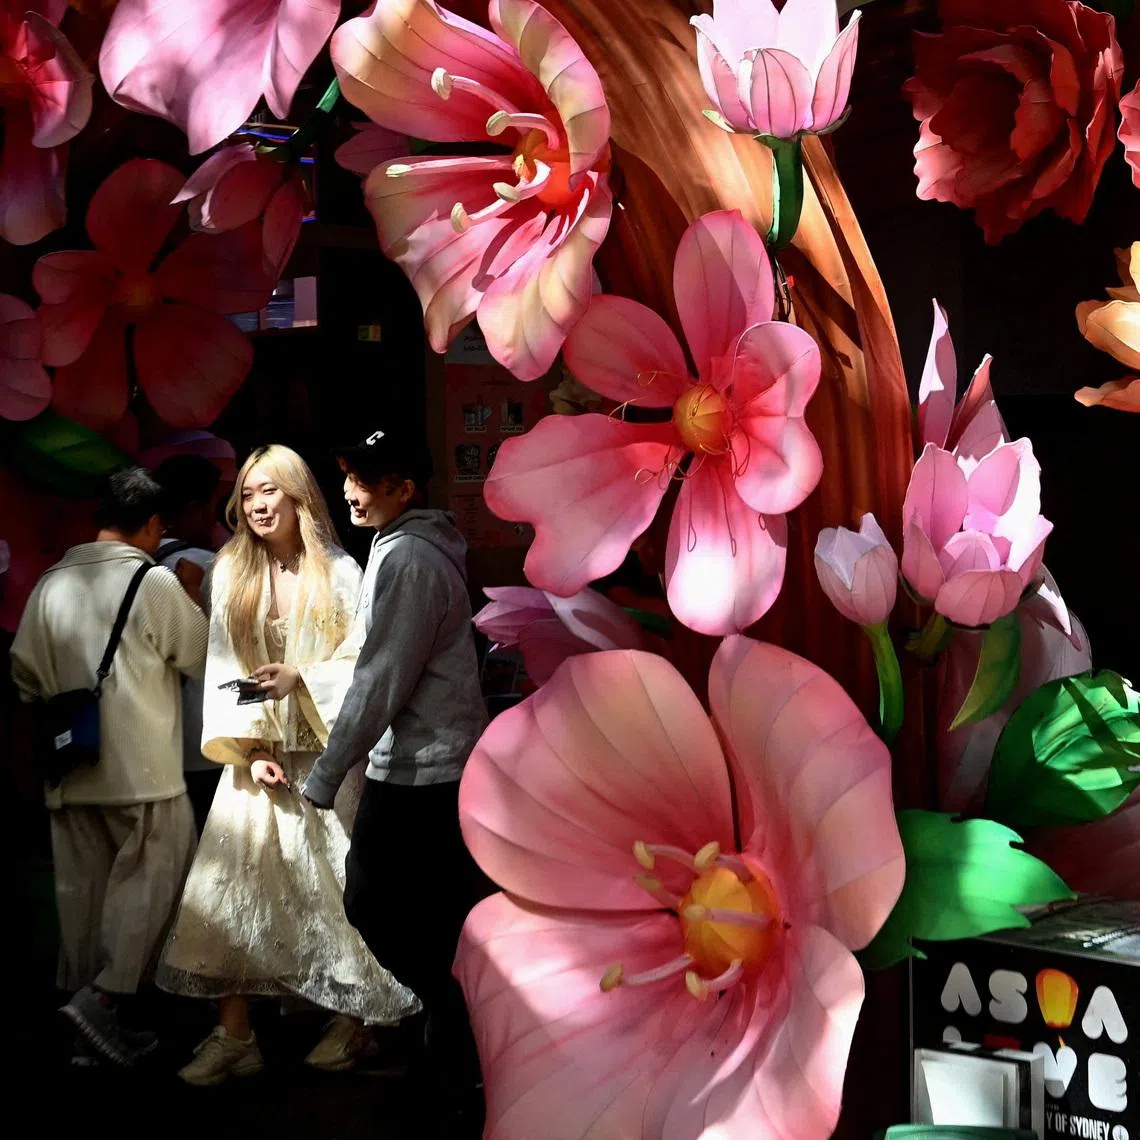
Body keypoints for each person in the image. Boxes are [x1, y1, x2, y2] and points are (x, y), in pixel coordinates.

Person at [157, 444, 417, 1086]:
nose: (256, 504)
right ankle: (235, 1033)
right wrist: (250, 749)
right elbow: (225, 667)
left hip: (328, 758)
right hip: (257, 762)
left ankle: (356, 1021)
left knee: (333, 888)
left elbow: (365, 665)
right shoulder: (231, 573)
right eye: (247, 494)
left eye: (268, 490)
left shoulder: (343, 572)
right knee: (233, 888)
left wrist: (302, 680)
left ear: (299, 494)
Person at [298, 429, 490, 1119]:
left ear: (403, 488)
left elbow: (382, 679)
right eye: (348, 473)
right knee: (431, 914)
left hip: (425, 770)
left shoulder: (409, 556)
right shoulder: (406, 545)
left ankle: (456, 1032)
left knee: (376, 903)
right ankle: (460, 1042)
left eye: (366, 478)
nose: (350, 488)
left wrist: (325, 775)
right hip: (432, 765)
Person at [10, 467, 207, 1066]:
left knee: (86, 898)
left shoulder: (48, 583)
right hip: (143, 767)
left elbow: (22, 675)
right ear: (151, 525)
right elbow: (199, 653)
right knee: (155, 884)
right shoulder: (153, 581)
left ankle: (91, 1034)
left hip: (70, 769)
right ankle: (105, 998)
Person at [152, 454, 229, 835]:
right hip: (203, 736)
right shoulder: (211, 566)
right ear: (196, 509)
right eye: (213, 508)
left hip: (152, 740)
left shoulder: (137, 565)